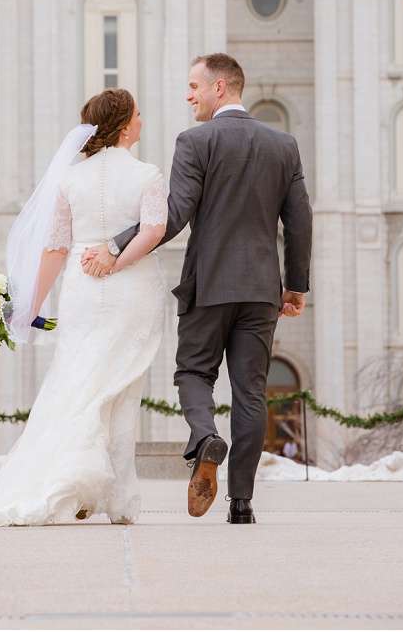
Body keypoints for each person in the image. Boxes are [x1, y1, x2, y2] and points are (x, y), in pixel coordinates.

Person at [82, 53, 312, 524]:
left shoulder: (195, 141)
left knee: (192, 372)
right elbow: (300, 221)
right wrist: (296, 286)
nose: (189, 95)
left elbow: (173, 216)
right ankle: (242, 504)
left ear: (220, 88)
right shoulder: (283, 145)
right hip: (263, 290)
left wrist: (115, 244)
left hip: (209, 283)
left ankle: (205, 436)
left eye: (194, 86)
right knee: (251, 392)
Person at [0, 89, 167, 527]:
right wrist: (116, 261)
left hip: (83, 292)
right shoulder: (149, 174)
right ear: (126, 126)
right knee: (122, 391)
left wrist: (26, 306)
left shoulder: (70, 180)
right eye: (139, 115)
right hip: (134, 292)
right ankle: (117, 497)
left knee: (78, 381)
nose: (142, 121)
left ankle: (80, 485)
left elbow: (55, 251)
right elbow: (154, 230)